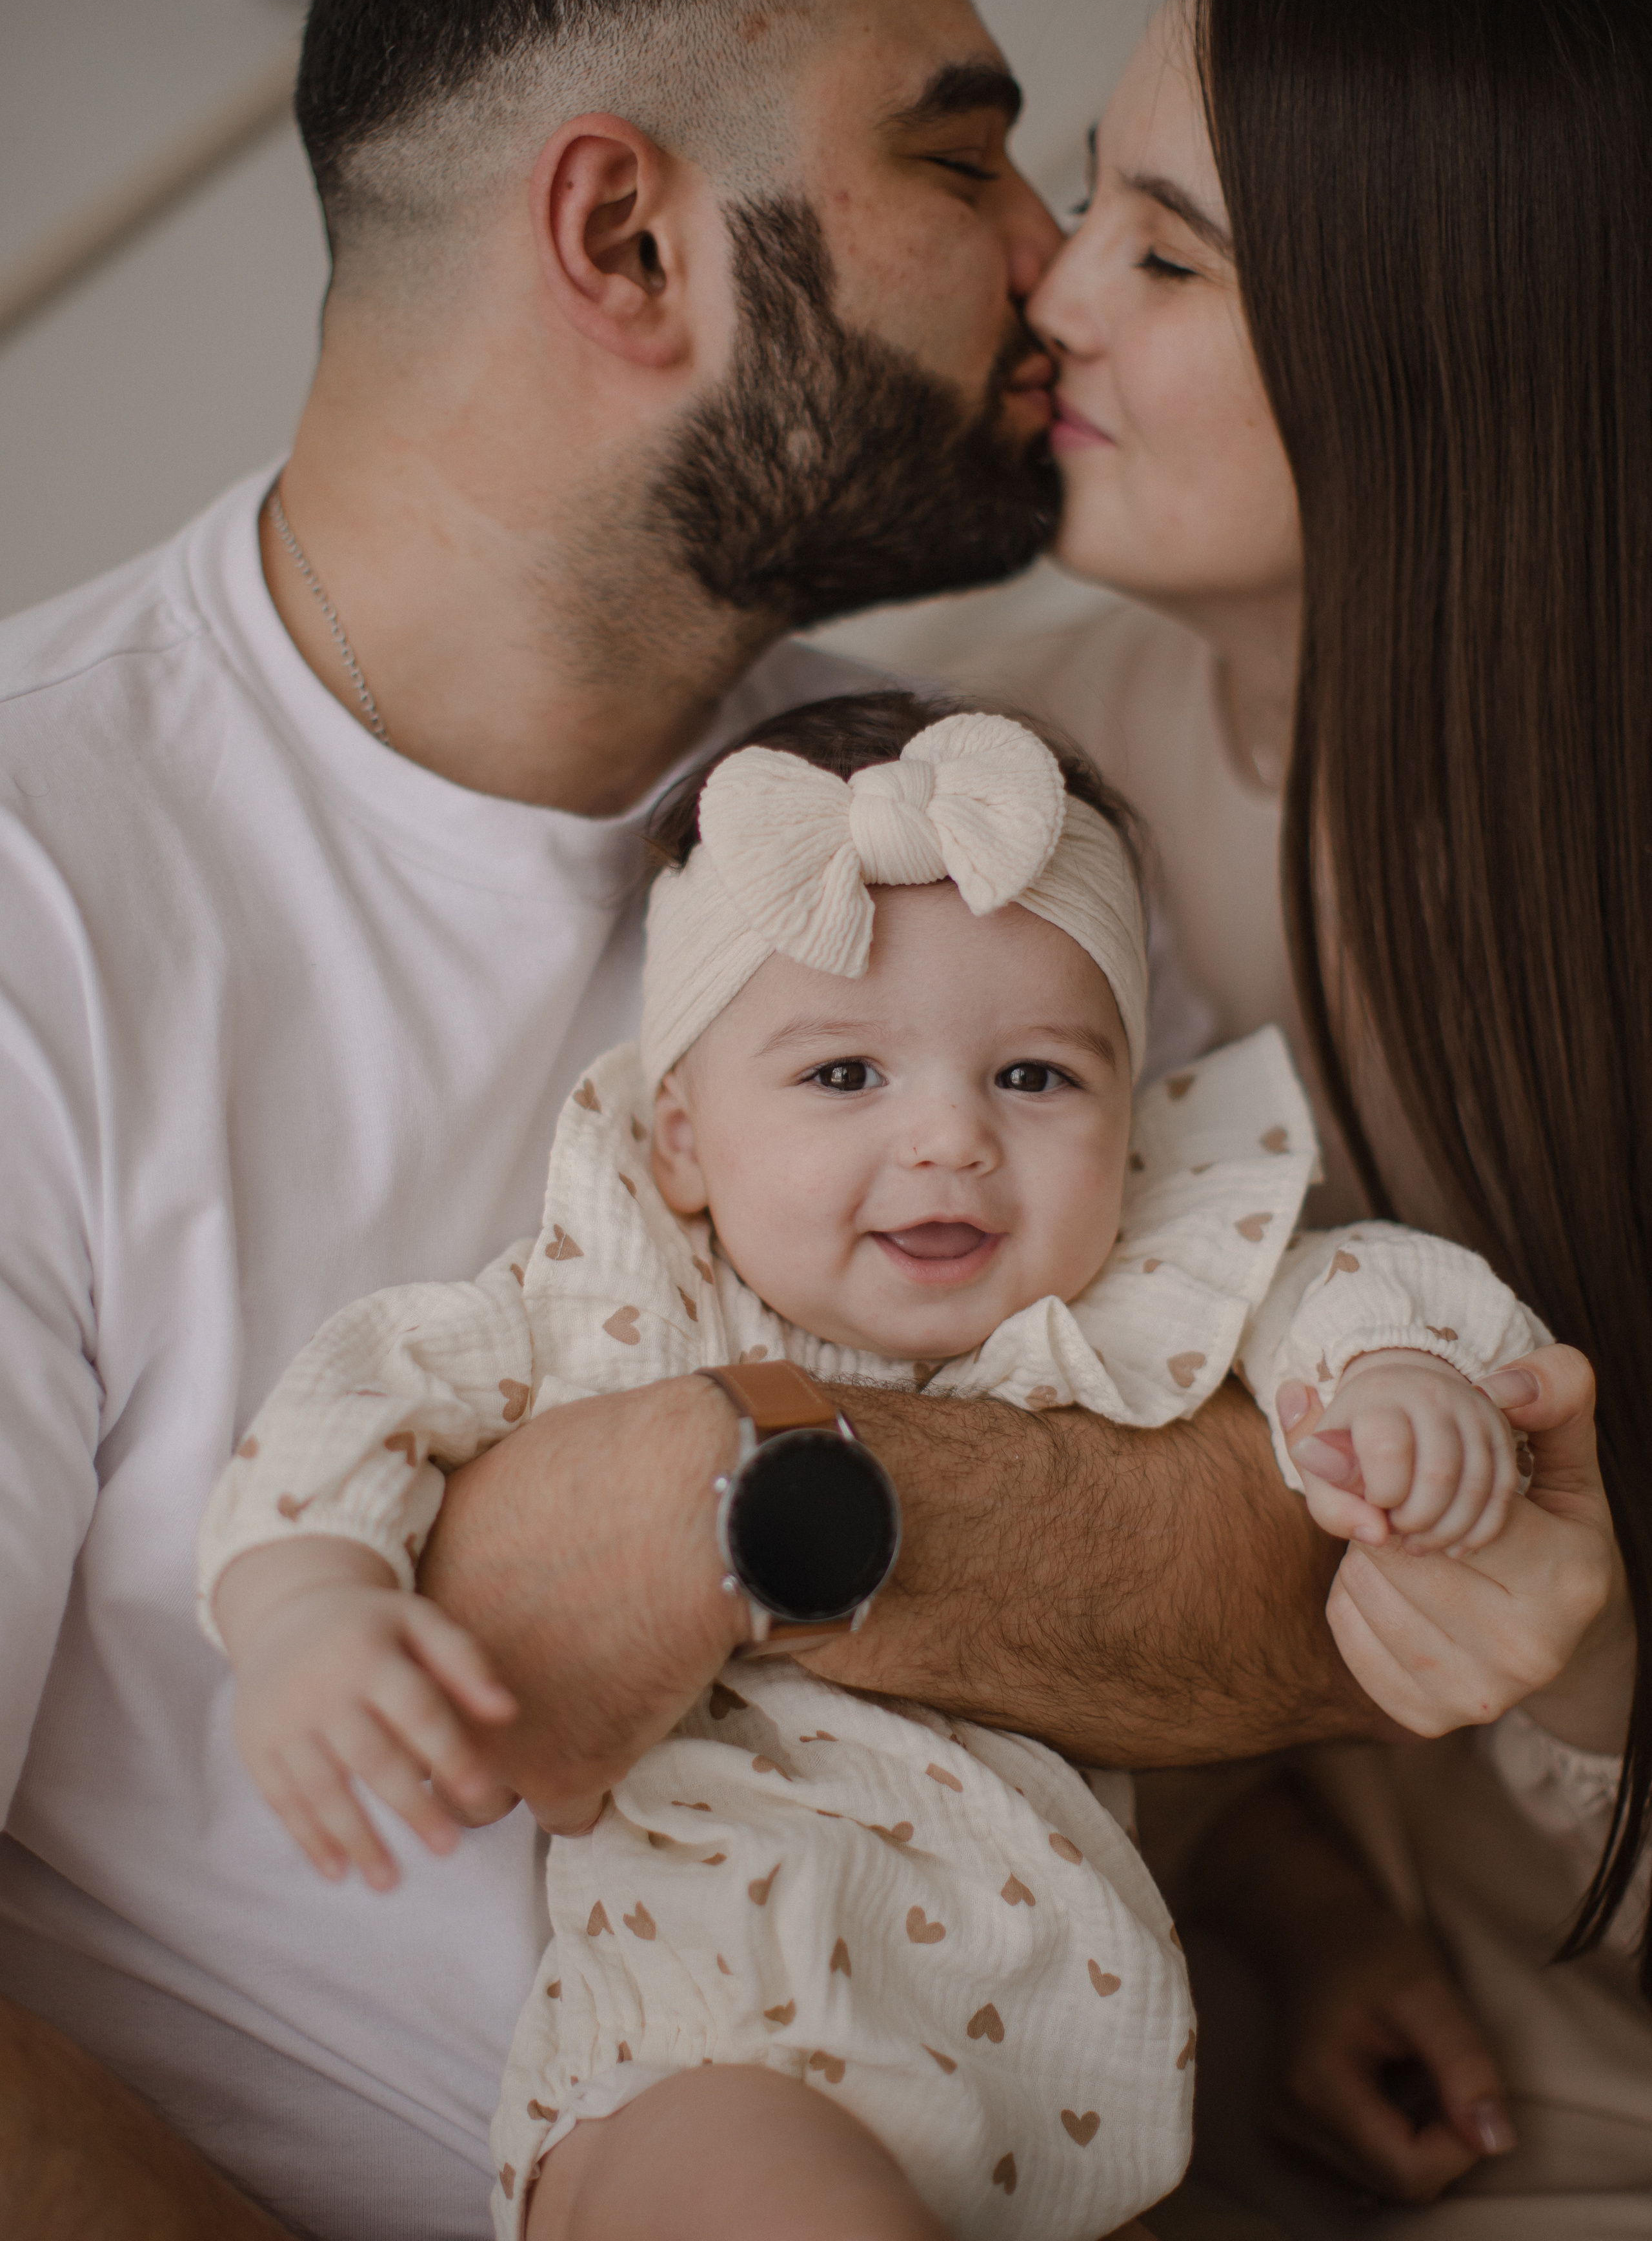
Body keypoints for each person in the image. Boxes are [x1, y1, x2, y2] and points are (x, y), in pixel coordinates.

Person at [0, 0, 1606, 2231]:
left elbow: (1281, 1577)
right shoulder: (45, 884)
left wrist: (720, 1496)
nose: (1052, 266)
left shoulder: (964, 811)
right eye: (968, 164)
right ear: (630, 237)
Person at [199, 692, 1547, 2241]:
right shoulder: (625, 1300)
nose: (950, 1140)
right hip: (731, 2038)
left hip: (1071, 2088)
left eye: (1033, 1078)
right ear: (687, 1140)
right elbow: (363, 1391)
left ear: (1127, 1114)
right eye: (844, 1077)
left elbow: (1346, 1279)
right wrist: (306, 1604)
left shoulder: (1125, 1299)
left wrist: (1394, 1375)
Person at [993, 0, 1649, 2233]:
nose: (1051, 290)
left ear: (1447, 355)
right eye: (1093, 209)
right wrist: (1297, 1895)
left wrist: (1582, 1681)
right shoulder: (1010, 767)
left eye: (1169, 259)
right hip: (1199, 2073)